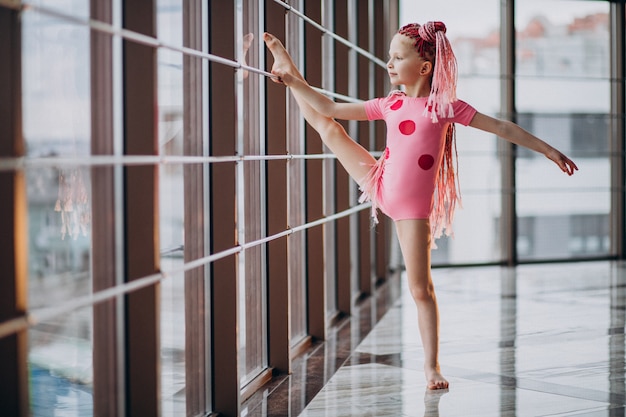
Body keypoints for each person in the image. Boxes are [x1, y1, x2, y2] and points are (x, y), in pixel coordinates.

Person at [263, 21, 578, 390]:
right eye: (389, 56)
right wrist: (296, 84)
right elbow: (329, 107)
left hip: (411, 208)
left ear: (424, 67)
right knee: (329, 127)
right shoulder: (390, 103)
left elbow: (503, 128)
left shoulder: (445, 108)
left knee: (420, 289)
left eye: (397, 57)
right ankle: (286, 65)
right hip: (378, 181)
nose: (389, 63)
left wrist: (549, 150)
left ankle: (432, 367)